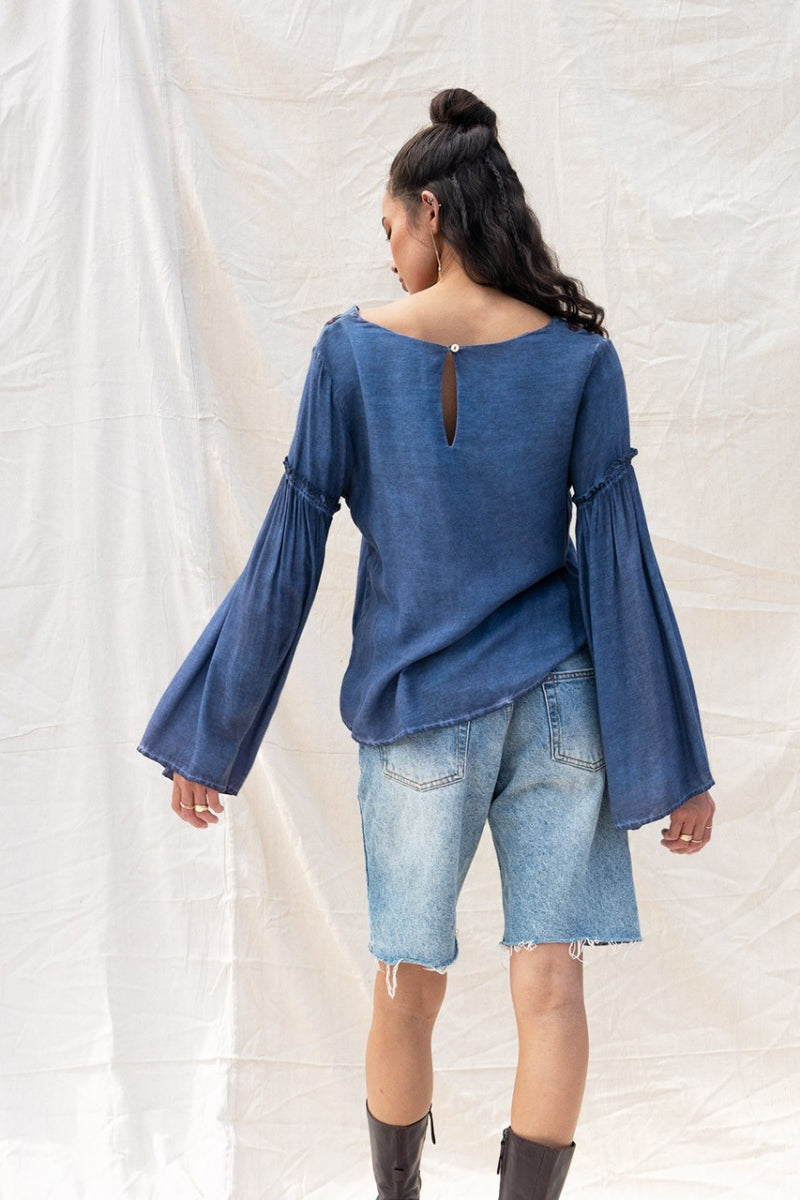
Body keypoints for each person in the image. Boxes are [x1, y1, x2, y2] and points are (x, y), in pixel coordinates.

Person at [138, 88, 715, 1199]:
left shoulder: (350, 354)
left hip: (416, 716)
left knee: (406, 983)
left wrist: (209, 738)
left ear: (432, 213)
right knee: (552, 986)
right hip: (561, 706)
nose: (389, 251)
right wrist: (675, 767)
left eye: (390, 226)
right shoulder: (578, 358)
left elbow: (288, 553)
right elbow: (618, 564)